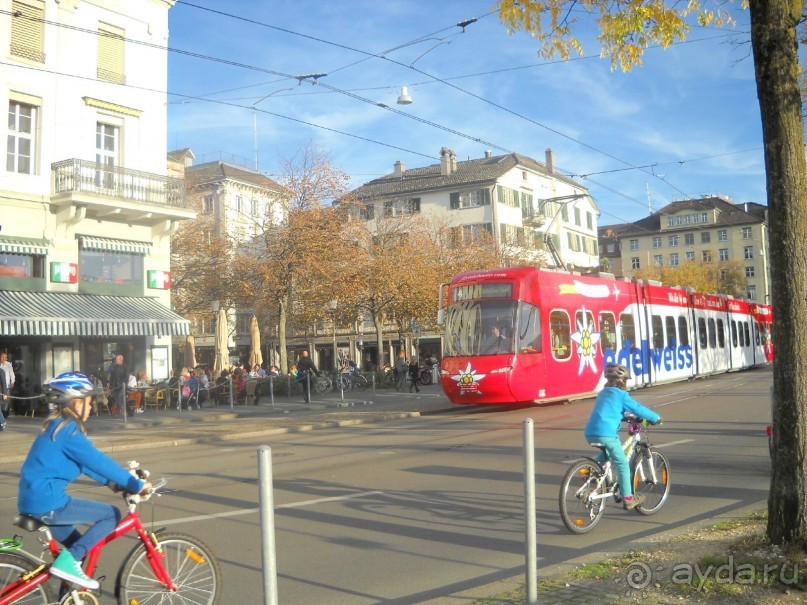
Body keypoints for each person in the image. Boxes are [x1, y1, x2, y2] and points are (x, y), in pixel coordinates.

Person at [17, 372, 151, 589]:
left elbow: (85, 464)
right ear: (76, 403)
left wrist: (112, 483)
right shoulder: (69, 431)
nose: (91, 407)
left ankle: (65, 599)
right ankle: (67, 564)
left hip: (33, 500)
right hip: (48, 503)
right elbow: (98, 460)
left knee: (76, 549)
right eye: (89, 402)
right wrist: (135, 484)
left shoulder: (57, 425)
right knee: (111, 514)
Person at [584, 363, 660, 510]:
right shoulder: (621, 395)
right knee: (622, 464)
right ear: (622, 381)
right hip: (606, 434)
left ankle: (590, 470)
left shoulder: (603, 393)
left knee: (607, 454)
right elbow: (638, 409)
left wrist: (624, 418)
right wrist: (655, 417)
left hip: (590, 433)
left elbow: (609, 412)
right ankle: (628, 498)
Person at [0, 351, 14, 416]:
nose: (4, 359)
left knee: (6, 399)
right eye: (2, 357)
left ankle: (5, 412)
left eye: (5, 357)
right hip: (0, 384)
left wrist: (12, 382)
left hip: (7, 384)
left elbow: (11, 374)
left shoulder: (8, 364)